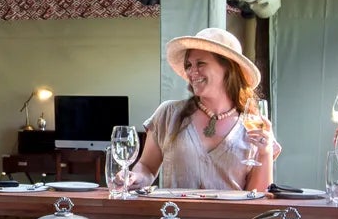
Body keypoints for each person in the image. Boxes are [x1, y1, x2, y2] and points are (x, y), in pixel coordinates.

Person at [117, 26, 278, 192]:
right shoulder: (168, 113)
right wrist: (134, 177)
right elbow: (147, 167)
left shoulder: (254, 126)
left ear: (228, 69)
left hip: (229, 218)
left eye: (200, 63)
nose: (192, 72)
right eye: (188, 65)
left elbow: (257, 196)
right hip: (175, 217)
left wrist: (265, 153)